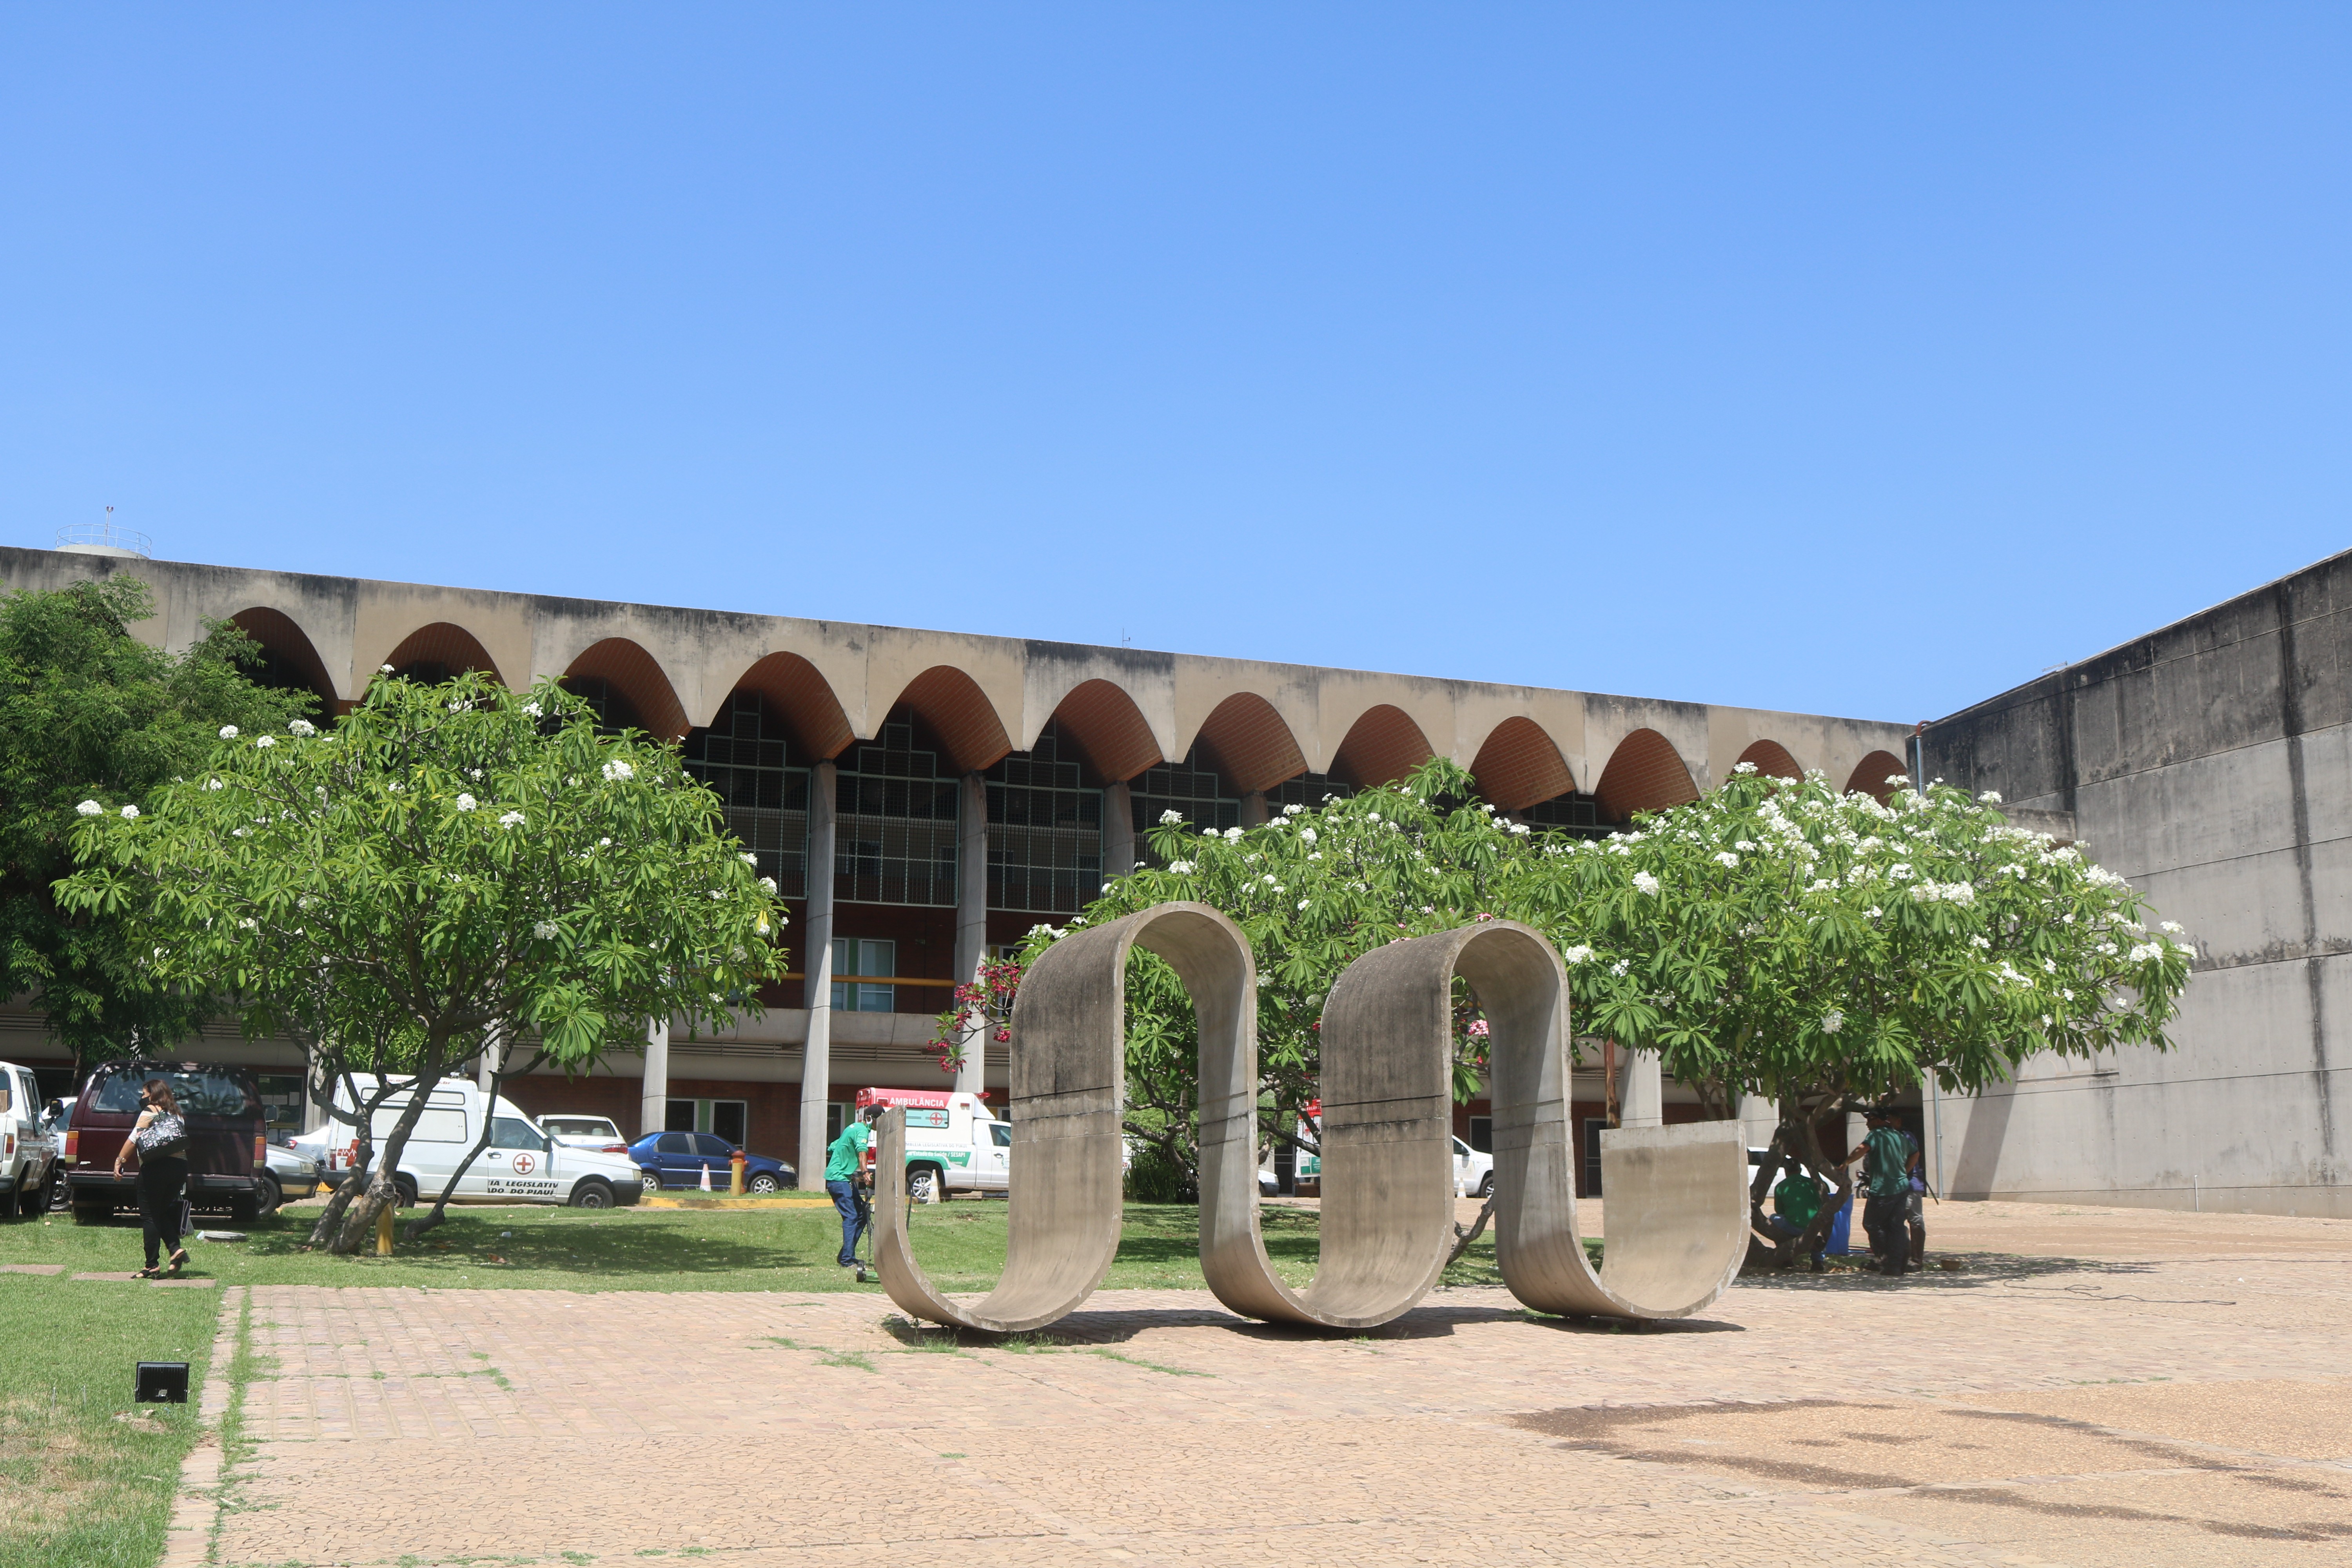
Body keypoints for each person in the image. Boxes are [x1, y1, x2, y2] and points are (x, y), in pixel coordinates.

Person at [112, 1078, 190, 1279]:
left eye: (144, 1094)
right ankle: (175, 1250)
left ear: (153, 1095)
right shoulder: (178, 1115)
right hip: (180, 1168)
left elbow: (134, 1138)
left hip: (155, 1168)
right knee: (160, 1211)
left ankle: (152, 1266)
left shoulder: (150, 1111)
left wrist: (120, 1160)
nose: (141, 1098)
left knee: (149, 1215)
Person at [1858, 1108, 1915, 1276]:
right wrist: (1904, 1172)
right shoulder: (1898, 1136)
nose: (1868, 1124)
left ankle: (1887, 1259)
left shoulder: (1876, 1135)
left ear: (1878, 1121)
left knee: (1872, 1224)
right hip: (1901, 1188)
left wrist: (1846, 1162)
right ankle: (1898, 1263)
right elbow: (1915, 1153)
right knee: (1896, 1226)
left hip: (1883, 1189)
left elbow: (1863, 1148)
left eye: (1870, 1120)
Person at [824, 1107, 877, 1270]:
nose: (880, 1124)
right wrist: (865, 1172)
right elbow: (862, 1153)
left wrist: (846, 1165)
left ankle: (846, 1255)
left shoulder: (852, 1128)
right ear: (870, 1118)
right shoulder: (862, 1131)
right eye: (878, 1120)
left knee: (862, 1214)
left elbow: (833, 1147)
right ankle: (847, 1260)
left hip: (843, 1178)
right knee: (852, 1217)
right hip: (839, 1180)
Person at [1764, 1161, 1829, 1272]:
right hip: (1815, 1224)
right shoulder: (1815, 1184)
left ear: (1786, 1171)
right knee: (1817, 1232)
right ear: (1800, 1170)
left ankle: (1786, 1256)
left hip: (1795, 1225)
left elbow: (1779, 1211)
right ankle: (1818, 1261)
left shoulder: (1781, 1186)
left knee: (1773, 1218)